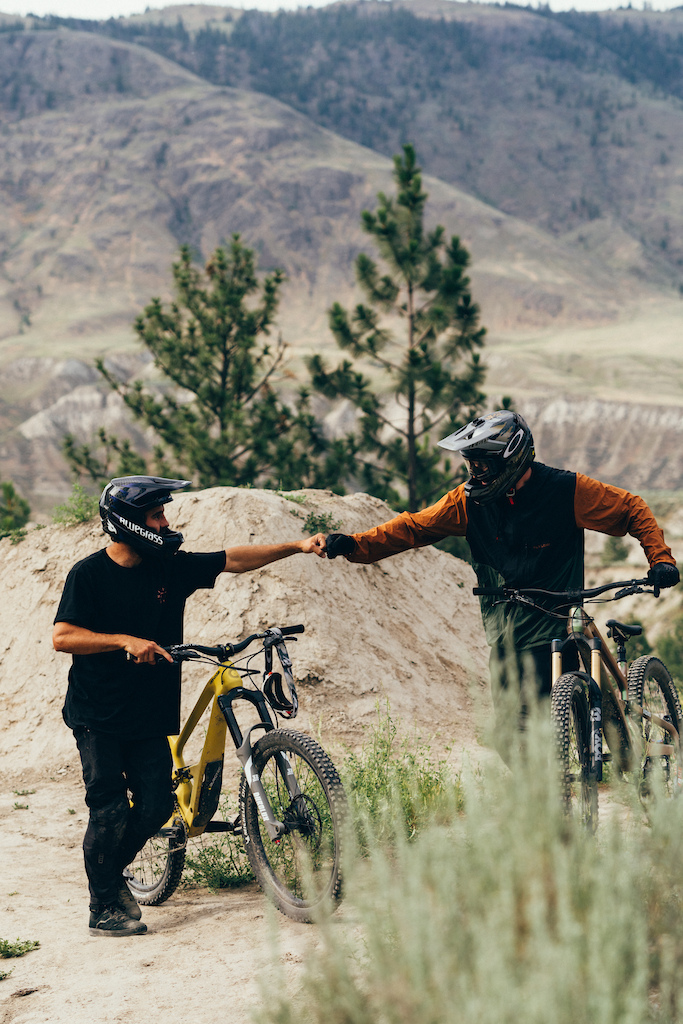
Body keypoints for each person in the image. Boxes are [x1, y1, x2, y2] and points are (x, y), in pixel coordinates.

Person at [53, 476, 326, 937]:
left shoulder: (169, 568)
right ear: (128, 524)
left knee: (158, 805)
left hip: (148, 711)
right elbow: (63, 637)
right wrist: (124, 640)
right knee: (110, 810)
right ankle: (103, 906)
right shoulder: (89, 574)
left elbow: (233, 559)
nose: (166, 523)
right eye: (156, 516)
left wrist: (298, 545)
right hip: (97, 714)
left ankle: (105, 876)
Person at [323, 410, 679, 746]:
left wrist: (660, 559)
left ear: (511, 459)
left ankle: (598, 765)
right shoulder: (467, 503)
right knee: (507, 737)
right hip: (505, 632)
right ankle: (552, 792)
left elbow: (631, 507)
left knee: (549, 722)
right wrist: (356, 544)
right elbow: (413, 527)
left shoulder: (565, 490)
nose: (474, 473)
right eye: (470, 464)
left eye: (482, 465)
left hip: (555, 621)